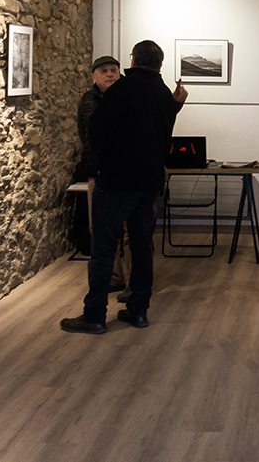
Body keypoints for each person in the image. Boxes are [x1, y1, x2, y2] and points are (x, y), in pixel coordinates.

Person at [61, 40, 188, 334]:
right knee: (142, 248)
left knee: (103, 249)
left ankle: (94, 316)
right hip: (149, 183)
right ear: (159, 63)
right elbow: (164, 133)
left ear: (133, 61)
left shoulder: (121, 90)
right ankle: (138, 311)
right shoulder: (162, 94)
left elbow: (98, 135)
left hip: (117, 182)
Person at [71, 56, 123, 279]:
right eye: (104, 71)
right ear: (94, 76)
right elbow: (86, 135)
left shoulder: (126, 98)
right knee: (99, 229)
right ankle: (112, 277)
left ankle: (130, 280)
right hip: (97, 171)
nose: (109, 74)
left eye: (113, 70)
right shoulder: (87, 101)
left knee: (127, 232)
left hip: (124, 172)